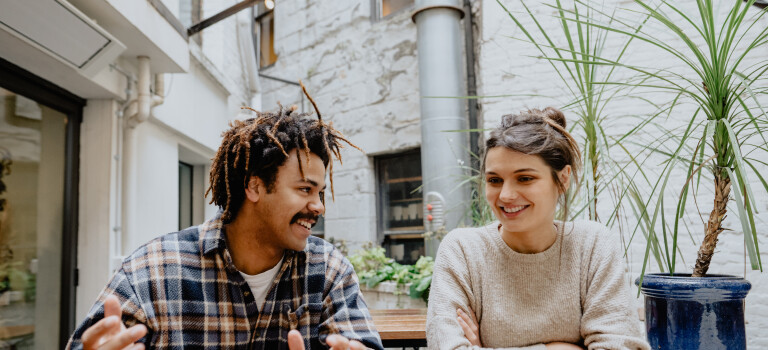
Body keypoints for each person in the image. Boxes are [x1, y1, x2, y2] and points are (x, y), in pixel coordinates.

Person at [67, 87, 384, 350]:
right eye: (305, 189)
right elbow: (98, 342)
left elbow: (360, 342)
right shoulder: (152, 272)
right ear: (255, 186)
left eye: (320, 193)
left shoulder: (328, 271)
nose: (318, 207)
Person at [426, 107, 650, 350]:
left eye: (525, 178)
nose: (506, 195)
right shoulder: (462, 250)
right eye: (494, 180)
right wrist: (560, 348)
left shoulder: (593, 245)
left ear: (563, 179)